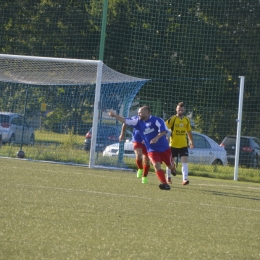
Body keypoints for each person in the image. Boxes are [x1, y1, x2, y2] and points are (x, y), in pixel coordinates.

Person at [109, 106, 175, 190]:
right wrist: (115, 115)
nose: (138, 114)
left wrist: (156, 138)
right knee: (156, 165)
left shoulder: (157, 120)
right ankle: (164, 183)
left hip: (164, 148)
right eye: (138, 112)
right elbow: (125, 120)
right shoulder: (137, 121)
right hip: (152, 150)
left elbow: (163, 131)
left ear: (147, 113)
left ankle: (173, 168)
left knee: (169, 166)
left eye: (141, 112)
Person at [165, 102, 194, 185]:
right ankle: (168, 178)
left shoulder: (186, 120)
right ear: (176, 109)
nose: (180, 111)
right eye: (179, 110)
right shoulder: (173, 119)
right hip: (173, 144)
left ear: (184, 110)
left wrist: (191, 141)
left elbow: (189, 131)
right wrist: (166, 135)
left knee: (184, 161)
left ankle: (185, 179)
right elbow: (164, 127)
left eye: (181, 110)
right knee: (170, 162)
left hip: (183, 145)